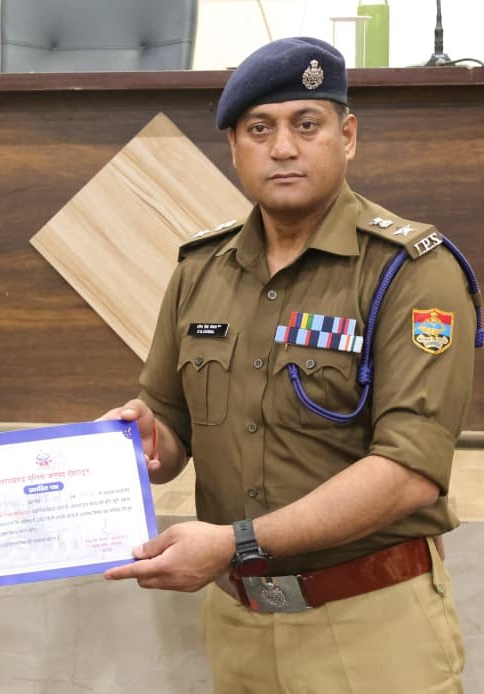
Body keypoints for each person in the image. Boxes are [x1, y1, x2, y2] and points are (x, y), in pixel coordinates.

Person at [101, 37, 479, 692]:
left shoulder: (410, 271)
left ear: (347, 136)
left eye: (306, 125)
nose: (282, 148)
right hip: (238, 625)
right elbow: (169, 423)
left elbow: (408, 473)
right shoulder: (200, 269)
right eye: (259, 129)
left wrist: (236, 543)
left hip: (372, 628)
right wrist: (142, 442)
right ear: (233, 146)